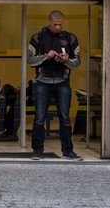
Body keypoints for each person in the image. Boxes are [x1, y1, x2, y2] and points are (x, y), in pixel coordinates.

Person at [28, 11, 82, 160]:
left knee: (64, 117)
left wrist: (66, 61)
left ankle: (68, 150)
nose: (58, 27)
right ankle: (37, 150)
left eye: (60, 24)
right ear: (48, 21)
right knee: (39, 117)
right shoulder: (37, 37)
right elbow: (30, 60)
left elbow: (77, 61)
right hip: (42, 81)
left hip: (62, 81)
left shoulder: (70, 38)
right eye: (55, 24)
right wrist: (46, 56)